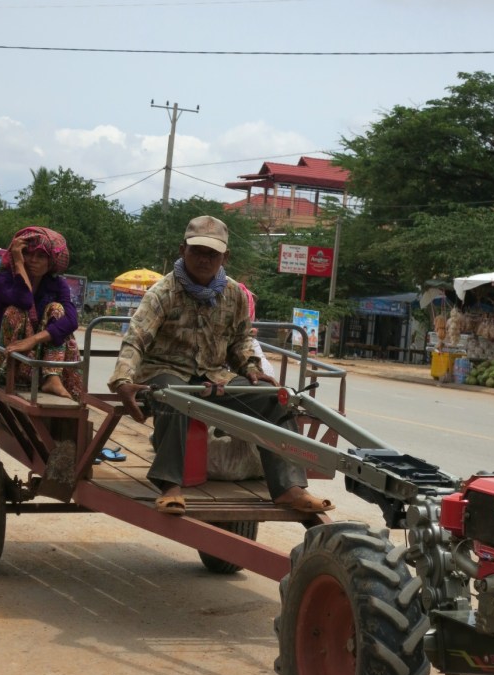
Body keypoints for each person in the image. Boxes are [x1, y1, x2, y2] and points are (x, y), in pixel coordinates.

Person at [108, 215, 335, 516]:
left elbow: (241, 340)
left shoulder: (234, 293)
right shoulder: (163, 292)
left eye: (212, 254)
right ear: (182, 250)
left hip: (214, 377)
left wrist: (252, 368)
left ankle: (289, 487)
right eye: (197, 251)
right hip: (165, 372)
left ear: (225, 256)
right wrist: (123, 380)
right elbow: (136, 339)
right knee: (173, 396)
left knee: (273, 399)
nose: (204, 259)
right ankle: (169, 485)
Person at [0, 226, 81, 399]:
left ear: (51, 262)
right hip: (10, 360)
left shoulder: (57, 284)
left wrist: (33, 340)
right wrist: (17, 263)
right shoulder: (4, 280)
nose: (33, 260)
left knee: (57, 309)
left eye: (40, 256)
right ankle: (48, 376)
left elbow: (71, 320)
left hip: (41, 365)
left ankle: (53, 378)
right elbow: (24, 300)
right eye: (27, 254)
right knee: (15, 311)